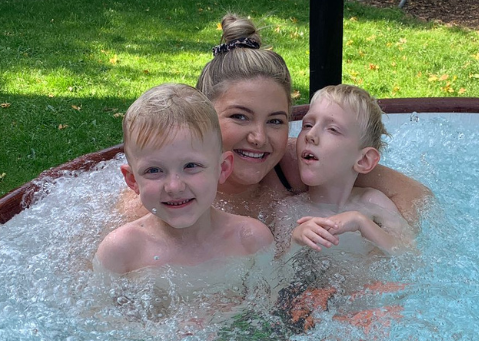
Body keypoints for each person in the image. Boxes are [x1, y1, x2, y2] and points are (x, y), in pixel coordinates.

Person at [119, 13, 432, 231]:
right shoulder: (160, 196)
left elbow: (415, 196)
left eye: (276, 121)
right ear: (203, 114)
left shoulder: (296, 165)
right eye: (239, 116)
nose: (259, 137)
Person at [95, 83, 274, 274]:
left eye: (191, 166)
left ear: (222, 168)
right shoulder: (121, 252)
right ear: (132, 180)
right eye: (154, 170)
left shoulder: (251, 240)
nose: (174, 187)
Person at [282, 84, 415, 256]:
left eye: (332, 129)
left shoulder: (373, 202)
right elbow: (274, 270)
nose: (310, 135)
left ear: (363, 160)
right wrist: (295, 240)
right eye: (307, 125)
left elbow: (411, 256)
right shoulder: (289, 210)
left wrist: (360, 222)